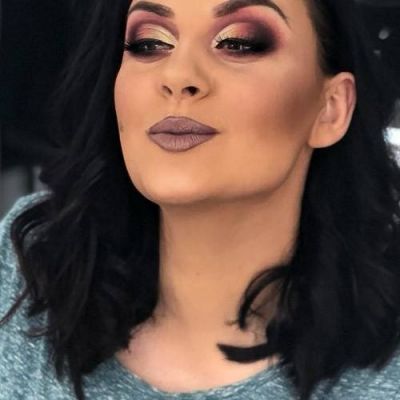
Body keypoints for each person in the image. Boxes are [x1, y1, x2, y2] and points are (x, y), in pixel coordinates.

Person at [1, 0, 400, 399]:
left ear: (331, 108)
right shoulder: (28, 262)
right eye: (148, 43)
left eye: (239, 43)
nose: (177, 75)